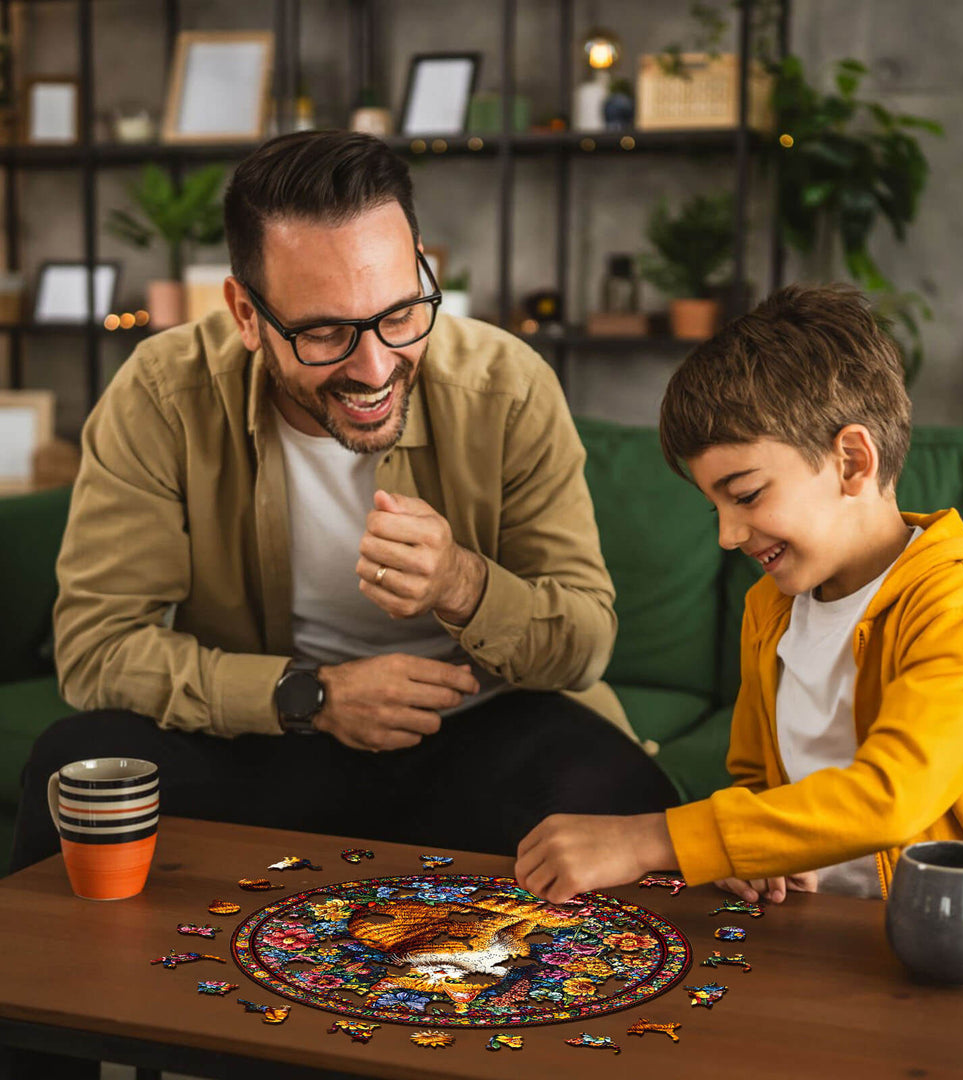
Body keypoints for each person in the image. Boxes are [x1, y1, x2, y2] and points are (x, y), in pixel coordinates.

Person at [12, 130, 677, 875]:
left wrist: (463, 582)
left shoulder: (508, 385)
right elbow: (96, 648)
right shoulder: (165, 395)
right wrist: (310, 696)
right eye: (325, 331)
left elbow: (585, 642)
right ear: (246, 314)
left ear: (423, 268)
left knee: (617, 797)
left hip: (482, 735)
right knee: (74, 765)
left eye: (399, 313)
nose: (375, 367)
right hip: (272, 738)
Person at [515, 284, 963, 913]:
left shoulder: (961, 600)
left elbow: (891, 796)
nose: (728, 535)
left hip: (952, 941)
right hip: (813, 930)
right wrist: (751, 863)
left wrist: (653, 838)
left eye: (747, 494)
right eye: (715, 506)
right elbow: (757, 782)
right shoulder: (771, 607)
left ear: (851, 460)